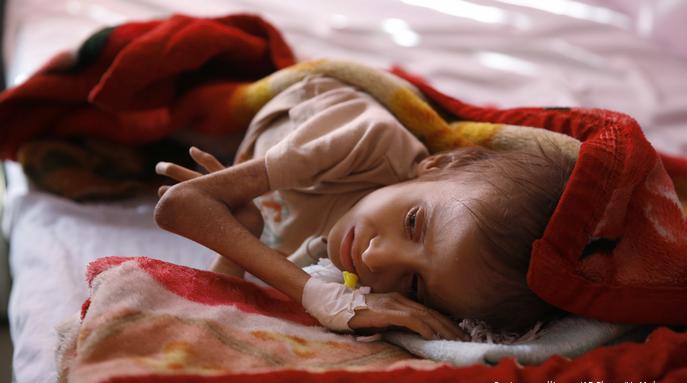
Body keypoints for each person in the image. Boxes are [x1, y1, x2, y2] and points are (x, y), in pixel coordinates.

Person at [154, 75, 573, 340]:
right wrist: (316, 296)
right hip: (275, 107)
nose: (375, 257)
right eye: (414, 223)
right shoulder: (370, 141)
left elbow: (213, 303)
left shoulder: (341, 274)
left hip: (241, 167)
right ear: (439, 164)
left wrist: (236, 240)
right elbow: (181, 204)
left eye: (414, 286)